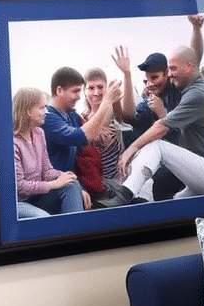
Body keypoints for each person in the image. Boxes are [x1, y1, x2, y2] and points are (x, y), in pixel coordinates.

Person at [104, 45, 204, 205]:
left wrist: (130, 150)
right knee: (173, 207)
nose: (149, 84)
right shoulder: (152, 97)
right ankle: (130, 203)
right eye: (146, 80)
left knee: (158, 148)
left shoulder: (188, 91)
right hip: (192, 168)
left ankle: (123, 196)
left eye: (155, 78)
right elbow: (129, 117)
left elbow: (162, 127)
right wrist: (127, 75)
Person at [43, 66, 124, 208]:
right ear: (59, 90)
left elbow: (88, 132)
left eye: (80, 91)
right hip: (52, 186)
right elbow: (79, 136)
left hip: (72, 180)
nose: (79, 96)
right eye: (75, 91)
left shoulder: (71, 115)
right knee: (72, 188)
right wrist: (107, 101)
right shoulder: (48, 118)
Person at [13, 88, 84, 218]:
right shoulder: (13, 142)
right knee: (43, 218)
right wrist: (52, 184)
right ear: (28, 111)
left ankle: (75, 233)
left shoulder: (39, 133)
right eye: (42, 107)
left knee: (72, 184)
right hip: (18, 203)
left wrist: (67, 177)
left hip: (37, 196)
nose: (46, 111)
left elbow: (47, 171)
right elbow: (19, 186)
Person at [74, 67, 124, 203]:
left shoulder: (112, 110)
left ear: (106, 89)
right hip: (93, 183)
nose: (96, 92)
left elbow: (112, 112)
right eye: (91, 88)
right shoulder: (80, 119)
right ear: (84, 90)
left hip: (116, 181)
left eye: (100, 87)